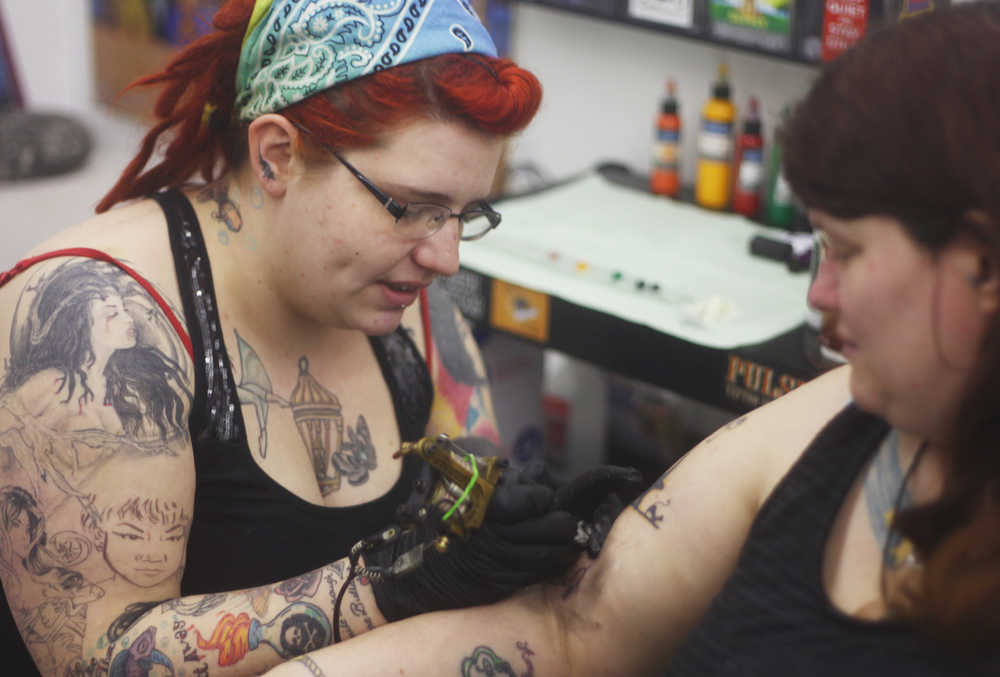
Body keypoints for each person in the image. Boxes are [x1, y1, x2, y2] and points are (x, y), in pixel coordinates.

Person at [258, 3, 1000, 675]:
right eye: (411, 206)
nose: (817, 295)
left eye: (849, 251)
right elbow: (577, 628)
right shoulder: (842, 420)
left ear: (982, 262)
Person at [0, 1, 641, 675]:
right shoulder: (103, 321)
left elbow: (474, 490)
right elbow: (91, 657)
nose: (446, 257)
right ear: (277, 155)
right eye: (413, 208)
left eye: (464, 214)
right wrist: (391, 583)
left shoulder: (406, 299)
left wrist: (536, 532)